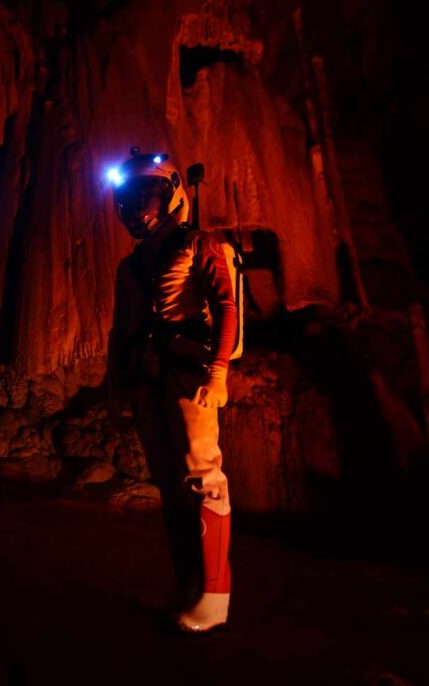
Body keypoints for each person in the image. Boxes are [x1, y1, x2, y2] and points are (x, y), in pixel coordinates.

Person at [106, 148, 237, 632]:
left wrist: (218, 371)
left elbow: (225, 305)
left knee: (203, 475)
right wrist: (116, 385)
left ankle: (215, 596)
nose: (139, 204)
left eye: (148, 194)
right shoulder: (129, 266)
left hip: (189, 373)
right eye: (131, 196)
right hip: (146, 377)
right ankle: (188, 586)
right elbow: (121, 330)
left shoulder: (198, 244)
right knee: (170, 485)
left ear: (170, 196)